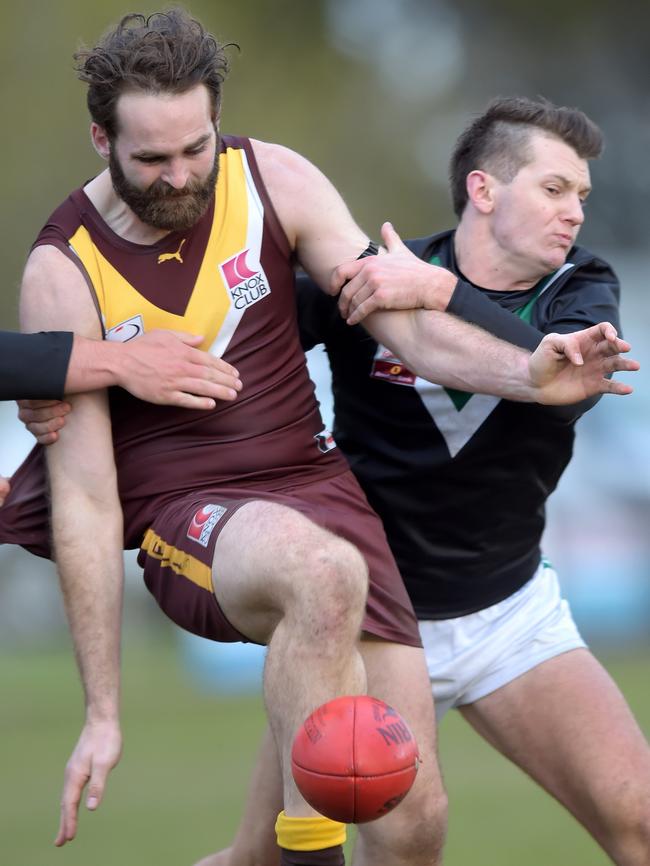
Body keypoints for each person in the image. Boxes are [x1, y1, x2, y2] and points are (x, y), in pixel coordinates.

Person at [0, 14, 636, 866]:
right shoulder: (65, 265)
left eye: (197, 148)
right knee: (320, 572)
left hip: (455, 584)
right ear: (100, 139)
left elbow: (408, 329)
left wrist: (524, 367)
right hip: (236, 532)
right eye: (152, 159)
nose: (181, 176)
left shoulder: (285, 184)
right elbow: (86, 485)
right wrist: (85, 366)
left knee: (413, 827)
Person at [190, 98, 650, 866]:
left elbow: (555, 363)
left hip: (509, 615)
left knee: (639, 816)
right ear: (483, 191)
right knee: (301, 854)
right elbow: (228, 356)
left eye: (582, 197)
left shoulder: (582, 289)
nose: (574, 212)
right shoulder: (366, 280)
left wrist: (440, 295)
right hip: (361, 623)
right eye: (554, 189)